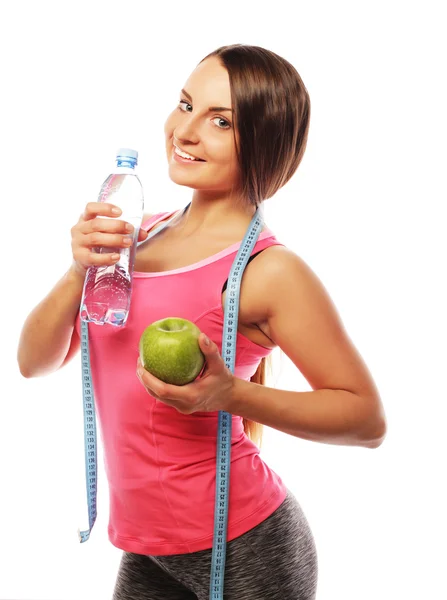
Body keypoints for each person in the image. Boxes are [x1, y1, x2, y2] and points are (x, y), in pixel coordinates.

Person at [18, 44, 387, 600]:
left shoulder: (270, 269)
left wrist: (229, 394)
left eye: (220, 121)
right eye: (185, 104)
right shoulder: (136, 235)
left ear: (264, 143)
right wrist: (79, 270)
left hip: (246, 546)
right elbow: (33, 362)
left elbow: (366, 419)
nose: (185, 131)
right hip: (147, 544)